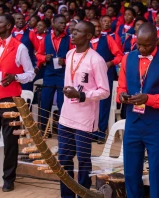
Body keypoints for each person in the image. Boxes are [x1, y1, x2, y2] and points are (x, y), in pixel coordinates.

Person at [118, 22, 159, 197]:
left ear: (156, 41)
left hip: (156, 125)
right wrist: (122, 96)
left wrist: (149, 99)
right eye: (139, 44)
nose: (142, 48)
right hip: (132, 122)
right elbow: (121, 87)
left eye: (146, 45)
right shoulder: (127, 58)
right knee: (130, 172)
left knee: (157, 173)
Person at [0, 14, 35, 192]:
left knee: (10, 141)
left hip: (10, 99)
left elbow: (31, 73)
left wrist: (15, 77)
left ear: (8, 26)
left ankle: (9, 178)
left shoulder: (20, 48)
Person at [58, 20, 109, 198]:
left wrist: (81, 96)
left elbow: (105, 91)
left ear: (88, 36)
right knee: (63, 159)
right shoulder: (69, 53)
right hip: (66, 115)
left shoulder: (96, 60)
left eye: (78, 32)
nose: (73, 33)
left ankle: (84, 194)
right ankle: (67, 195)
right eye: (73, 30)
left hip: (85, 117)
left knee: (83, 160)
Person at [36, 14, 72, 132]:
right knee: (45, 103)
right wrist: (44, 58)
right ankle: (43, 130)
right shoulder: (46, 38)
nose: (64, 25)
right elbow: (38, 54)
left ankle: (63, 130)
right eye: (61, 23)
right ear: (54, 24)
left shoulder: (69, 39)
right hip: (49, 74)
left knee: (63, 104)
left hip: (63, 75)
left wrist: (65, 61)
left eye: (64, 23)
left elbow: (74, 57)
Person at [89, 18, 123, 143]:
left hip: (105, 75)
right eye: (95, 27)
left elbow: (119, 55)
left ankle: (101, 132)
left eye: (99, 26)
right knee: (91, 103)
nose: (98, 29)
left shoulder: (107, 38)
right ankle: (91, 131)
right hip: (90, 78)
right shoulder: (85, 41)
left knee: (103, 103)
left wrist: (110, 63)